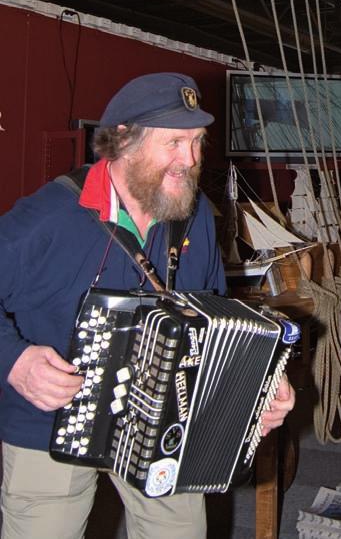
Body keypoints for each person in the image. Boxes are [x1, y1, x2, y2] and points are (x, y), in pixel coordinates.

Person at [0, 72, 295, 538]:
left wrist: (259, 383)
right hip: (48, 419)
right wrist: (14, 361)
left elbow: (212, 311)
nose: (191, 159)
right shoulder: (48, 217)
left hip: (164, 418)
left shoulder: (194, 211)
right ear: (123, 140)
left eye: (198, 142)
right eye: (174, 143)